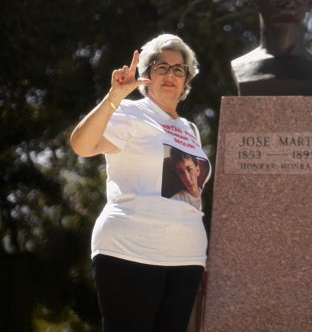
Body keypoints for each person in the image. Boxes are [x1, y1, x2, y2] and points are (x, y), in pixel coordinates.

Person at [70, 33, 211, 332]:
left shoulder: (190, 129)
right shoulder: (130, 112)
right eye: (161, 67)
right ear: (146, 76)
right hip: (130, 249)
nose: (170, 75)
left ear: (187, 80)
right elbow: (82, 145)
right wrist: (114, 98)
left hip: (186, 258)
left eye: (178, 69)